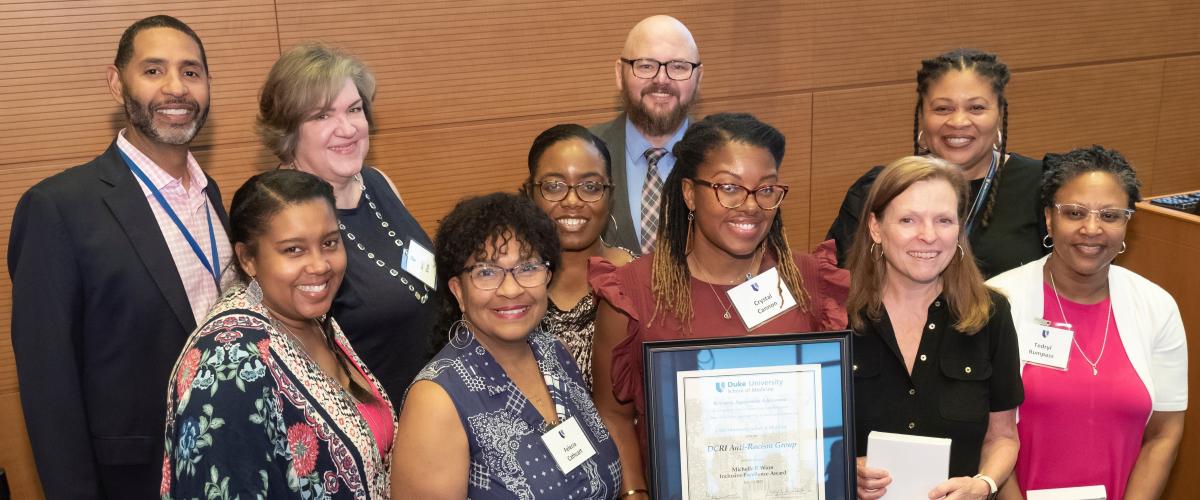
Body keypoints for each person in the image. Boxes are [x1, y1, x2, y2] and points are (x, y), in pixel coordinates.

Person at [7, 15, 231, 498]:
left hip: (226, 460)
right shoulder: (58, 208)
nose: (177, 88)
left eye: (191, 72)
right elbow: (50, 388)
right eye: (153, 71)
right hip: (134, 478)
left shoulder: (212, 195)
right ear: (116, 83)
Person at [590, 113, 850, 498]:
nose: (750, 206)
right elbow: (613, 414)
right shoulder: (633, 293)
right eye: (729, 187)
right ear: (690, 193)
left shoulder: (810, 281)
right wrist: (635, 494)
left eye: (766, 190)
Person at [162, 169, 393, 497]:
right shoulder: (228, 367)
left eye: (329, 243)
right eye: (294, 250)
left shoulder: (308, 315)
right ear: (248, 259)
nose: (320, 265)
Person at [988, 146, 1187, 500]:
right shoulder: (997, 301)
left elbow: (1164, 434)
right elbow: (982, 429)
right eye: (1075, 213)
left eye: (1110, 215)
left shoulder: (1158, 307)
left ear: (1127, 222)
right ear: (1049, 218)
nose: (1091, 228)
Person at [392, 193, 621, 499]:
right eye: (486, 272)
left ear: (547, 276)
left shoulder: (555, 353)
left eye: (527, 268)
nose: (511, 289)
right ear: (458, 291)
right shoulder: (436, 400)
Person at [258, 43, 439, 404]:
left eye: (354, 109)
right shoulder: (280, 215)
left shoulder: (379, 182)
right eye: (322, 116)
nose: (347, 128)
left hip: (433, 406)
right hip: (371, 428)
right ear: (289, 131)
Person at [846, 156, 1022, 500]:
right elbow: (808, 438)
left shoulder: (991, 314)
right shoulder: (836, 313)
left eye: (943, 220)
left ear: (959, 228)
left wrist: (983, 484)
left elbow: (1002, 437)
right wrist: (842, 468)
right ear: (876, 227)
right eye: (908, 220)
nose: (928, 236)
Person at [827, 48, 1047, 278]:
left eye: (976, 108)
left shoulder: (1041, 187)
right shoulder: (877, 189)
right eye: (943, 108)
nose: (959, 121)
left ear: (1000, 113)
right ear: (923, 114)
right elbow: (834, 286)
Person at [523, 124, 634, 390]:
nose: (572, 201)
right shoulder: (507, 287)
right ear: (530, 193)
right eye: (554, 186)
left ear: (609, 196)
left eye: (590, 186)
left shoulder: (641, 281)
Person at [592, 15, 703, 255]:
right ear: (619, 74)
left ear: (698, 77)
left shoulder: (723, 157)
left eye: (678, 66)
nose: (661, 80)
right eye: (645, 65)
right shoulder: (582, 152)